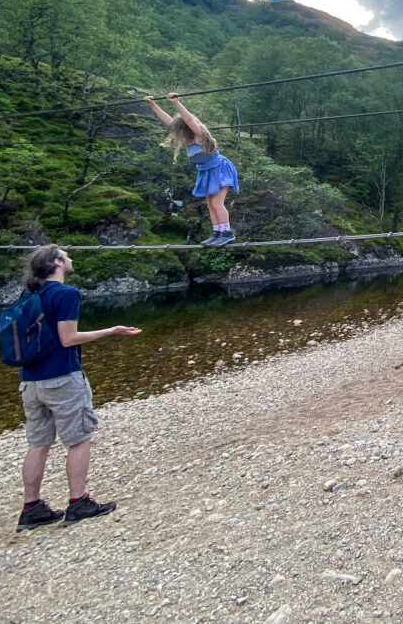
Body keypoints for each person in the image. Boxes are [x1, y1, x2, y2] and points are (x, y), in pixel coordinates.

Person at [15, 245, 141, 531]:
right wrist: (111, 331)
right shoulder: (66, 294)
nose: (70, 258)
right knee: (79, 439)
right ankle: (78, 501)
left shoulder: (29, 294)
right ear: (58, 262)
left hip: (30, 381)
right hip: (62, 377)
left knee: (38, 444)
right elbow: (68, 338)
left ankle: (31, 507)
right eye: (65, 254)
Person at [144, 92, 240, 246]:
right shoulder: (188, 139)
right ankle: (217, 232)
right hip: (206, 171)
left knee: (217, 203)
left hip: (220, 169)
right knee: (210, 204)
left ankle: (227, 233)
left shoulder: (199, 135)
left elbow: (189, 119)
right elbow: (168, 120)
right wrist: (153, 105)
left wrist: (177, 103)